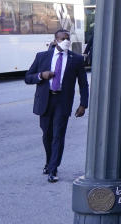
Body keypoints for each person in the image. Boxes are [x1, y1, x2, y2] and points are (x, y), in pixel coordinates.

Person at [24, 28, 89, 182]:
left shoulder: (76, 59)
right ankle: (48, 162)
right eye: (62, 39)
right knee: (47, 134)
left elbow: (83, 84)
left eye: (68, 39)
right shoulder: (42, 57)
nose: (66, 41)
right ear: (55, 41)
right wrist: (42, 75)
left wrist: (83, 104)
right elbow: (27, 77)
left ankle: (53, 168)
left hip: (62, 101)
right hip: (45, 100)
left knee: (58, 135)